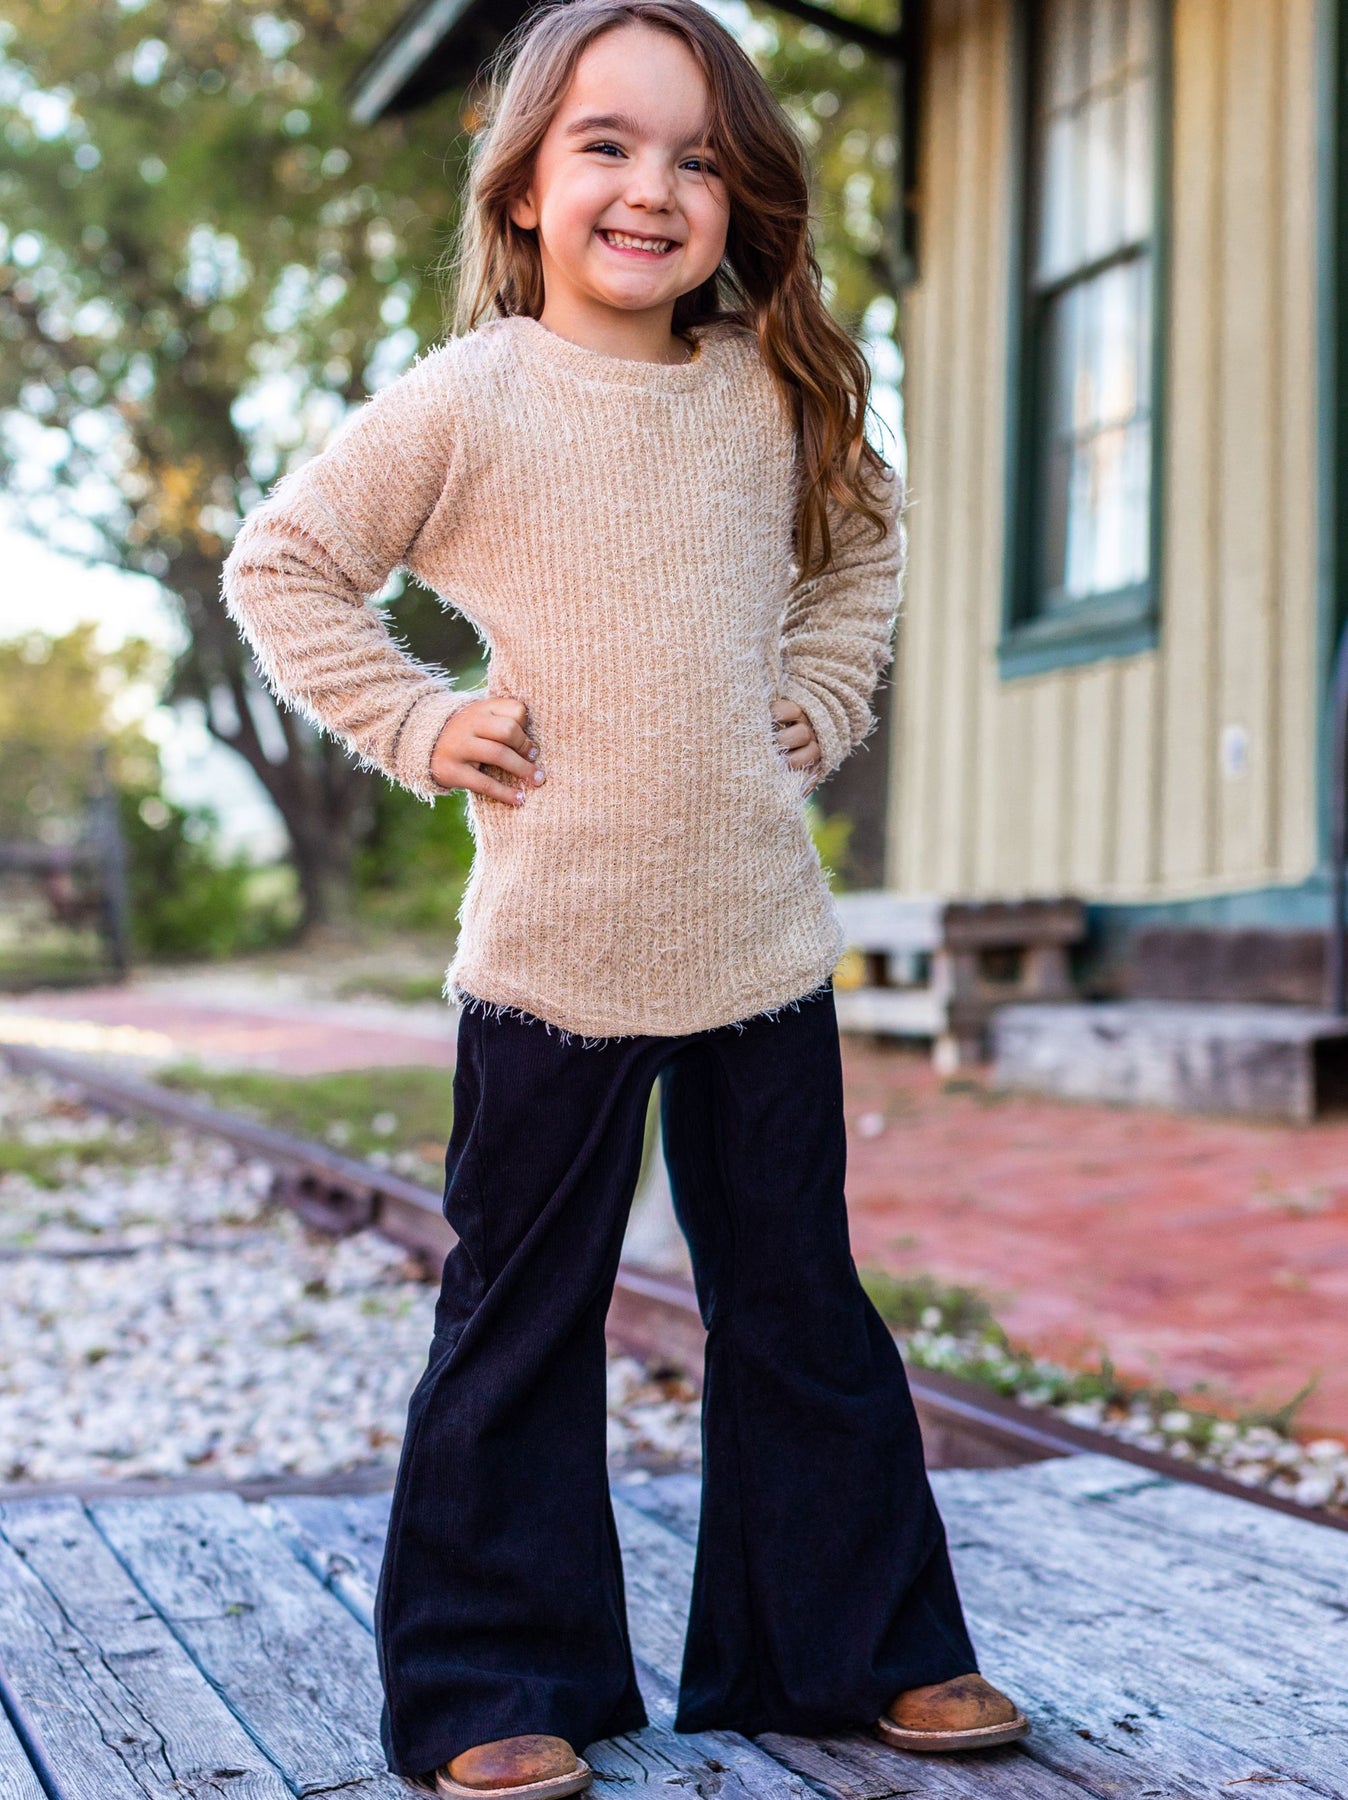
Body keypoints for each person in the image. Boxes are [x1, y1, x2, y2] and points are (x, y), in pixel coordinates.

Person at [221, 0, 1028, 1790]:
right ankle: (495, 1685)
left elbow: (863, 547)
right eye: (607, 145)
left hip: (758, 943)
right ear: (523, 186)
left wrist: (825, 689)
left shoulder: (771, 391)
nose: (654, 188)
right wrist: (417, 721)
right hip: (553, 955)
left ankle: (855, 1654)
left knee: (800, 1309)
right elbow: (283, 564)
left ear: (739, 202)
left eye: (701, 159)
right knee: (518, 1318)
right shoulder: (473, 398)